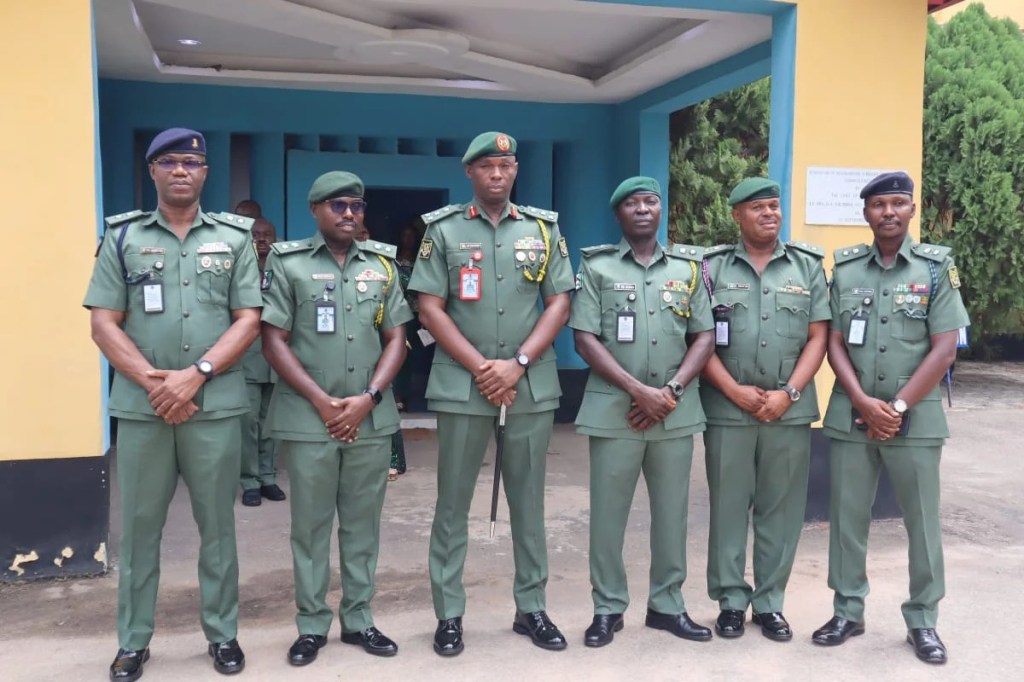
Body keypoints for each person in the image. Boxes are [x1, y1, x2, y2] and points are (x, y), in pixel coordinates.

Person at [84, 128, 261, 681]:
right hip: (144, 410)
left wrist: (195, 376)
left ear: (205, 172)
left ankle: (222, 634)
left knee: (218, 528)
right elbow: (103, 322)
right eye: (168, 162)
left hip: (214, 407)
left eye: (191, 162)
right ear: (152, 171)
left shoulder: (234, 239)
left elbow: (248, 320)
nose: (181, 170)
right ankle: (133, 641)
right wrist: (157, 384)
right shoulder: (122, 237)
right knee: (140, 531)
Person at [408, 131, 574, 656]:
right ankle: (449, 613)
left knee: (528, 500)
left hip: (529, 384)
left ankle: (532, 607)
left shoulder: (543, 230)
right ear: (470, 173)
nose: (496, 174)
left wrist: (517, 363)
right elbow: (429, 307)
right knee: (452, 504)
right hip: (464, 384)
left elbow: (559, 302)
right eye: (486, 167)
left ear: (516, 169)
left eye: (505, 165)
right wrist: (484, 367)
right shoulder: (443, 230)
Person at [812, 171, 968, 665]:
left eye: (898, 203)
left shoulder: (936, 269)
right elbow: (833, 342)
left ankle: (923, 619)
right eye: (879, 205)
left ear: (912, 210)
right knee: (847, 518)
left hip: (915, 419)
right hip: (853, 415)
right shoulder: (846, 269)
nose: (889, 213)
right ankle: (847, 611)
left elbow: (944, 350)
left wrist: (896, 407)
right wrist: (862, 402)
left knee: (921, 522)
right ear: (866, 213)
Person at [261, 171, 412, 667]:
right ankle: (311, 625)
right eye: (338, 205)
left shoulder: (383, 265)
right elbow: (273, 340)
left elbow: (397, 337)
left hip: (370, 418)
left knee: (363, 525)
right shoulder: (288, 263)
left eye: (357, 206)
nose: (349, 213)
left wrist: (369, 397)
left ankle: (359, 618)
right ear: (315, 210)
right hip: (309, 419)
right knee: (310, 527)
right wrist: (323, 402)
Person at [570, 177, 715, 648]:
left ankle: (667, 605)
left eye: (650, 201)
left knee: (672, 514)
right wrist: (638, 391)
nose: (642, 209)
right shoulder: (597, 266)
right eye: (631, 203)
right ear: (618, 214)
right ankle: (607, 608)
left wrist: (669, 391)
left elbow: (705, 336)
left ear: (661, 210)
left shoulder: (689, 268)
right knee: (607, 517)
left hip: (674, 411)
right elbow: (584, 338)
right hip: (614, 412)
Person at [699, 177, 830, 642]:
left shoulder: (807, 266)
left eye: (774, 206)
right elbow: (699, 338)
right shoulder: (711, 267)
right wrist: (733, 391)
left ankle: (770, 603)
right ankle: (731, 602)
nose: (769, 214)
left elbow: (819, 336)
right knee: (728, 508)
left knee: (781, 509)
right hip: (727, 409)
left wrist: (789, 393)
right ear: (737, 215)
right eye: (758, 208)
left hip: (787, 411)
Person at [240, 218, 285, 506]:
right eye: (255, 235)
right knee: (248, 422)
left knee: (272, 422)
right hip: (247, 356)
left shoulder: (285, 268)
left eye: (267, 234)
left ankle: (268, 476)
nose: (261, 239)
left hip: (278, 357)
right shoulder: (239, 269)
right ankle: (249, 480)